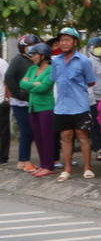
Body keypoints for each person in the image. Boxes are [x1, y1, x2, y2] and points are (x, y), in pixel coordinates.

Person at [51, 27, 96, 182]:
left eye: (67, 40)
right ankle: (67, 169)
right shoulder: (55, 61)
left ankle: (87, 168)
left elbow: (91, 81)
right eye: (61, 40)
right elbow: (54, 79)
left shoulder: (83, 61)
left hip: (80, 104)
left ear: (75, 42)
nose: (64, 43)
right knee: (65, 136)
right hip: (62, 105)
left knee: (83, 135)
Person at [21, 42, 56, 177]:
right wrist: (33, 84)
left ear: (42, 55)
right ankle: (43, 164)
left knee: (47, 137)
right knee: (38, 137)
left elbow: (44, 87)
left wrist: (30, 85)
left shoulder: (51, 69)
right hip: (33, 106)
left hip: (46, 107)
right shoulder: (32, 69)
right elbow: (21, 83)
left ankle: (49, 165)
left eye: (34, 55)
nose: (32, 57)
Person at [6, 34, 39, 171]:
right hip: (20, 102)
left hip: (32, 101)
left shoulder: (34, 61)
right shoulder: (18, 60)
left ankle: (24, 159)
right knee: (27, 131)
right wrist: (17, 93)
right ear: (22, 48)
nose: (31, 49)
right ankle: (23, 160)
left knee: (32, 131)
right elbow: (9, 76)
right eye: (28, 47)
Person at [86, 37, 101, 162]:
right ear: (90, 49)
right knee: (95, 125)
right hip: (95, 97)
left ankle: (96, 143)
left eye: (100, 47)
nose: (99, 50)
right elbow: (89, 81)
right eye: (96, 48)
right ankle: (98, 150)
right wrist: (91, 100)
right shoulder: (90, 62)